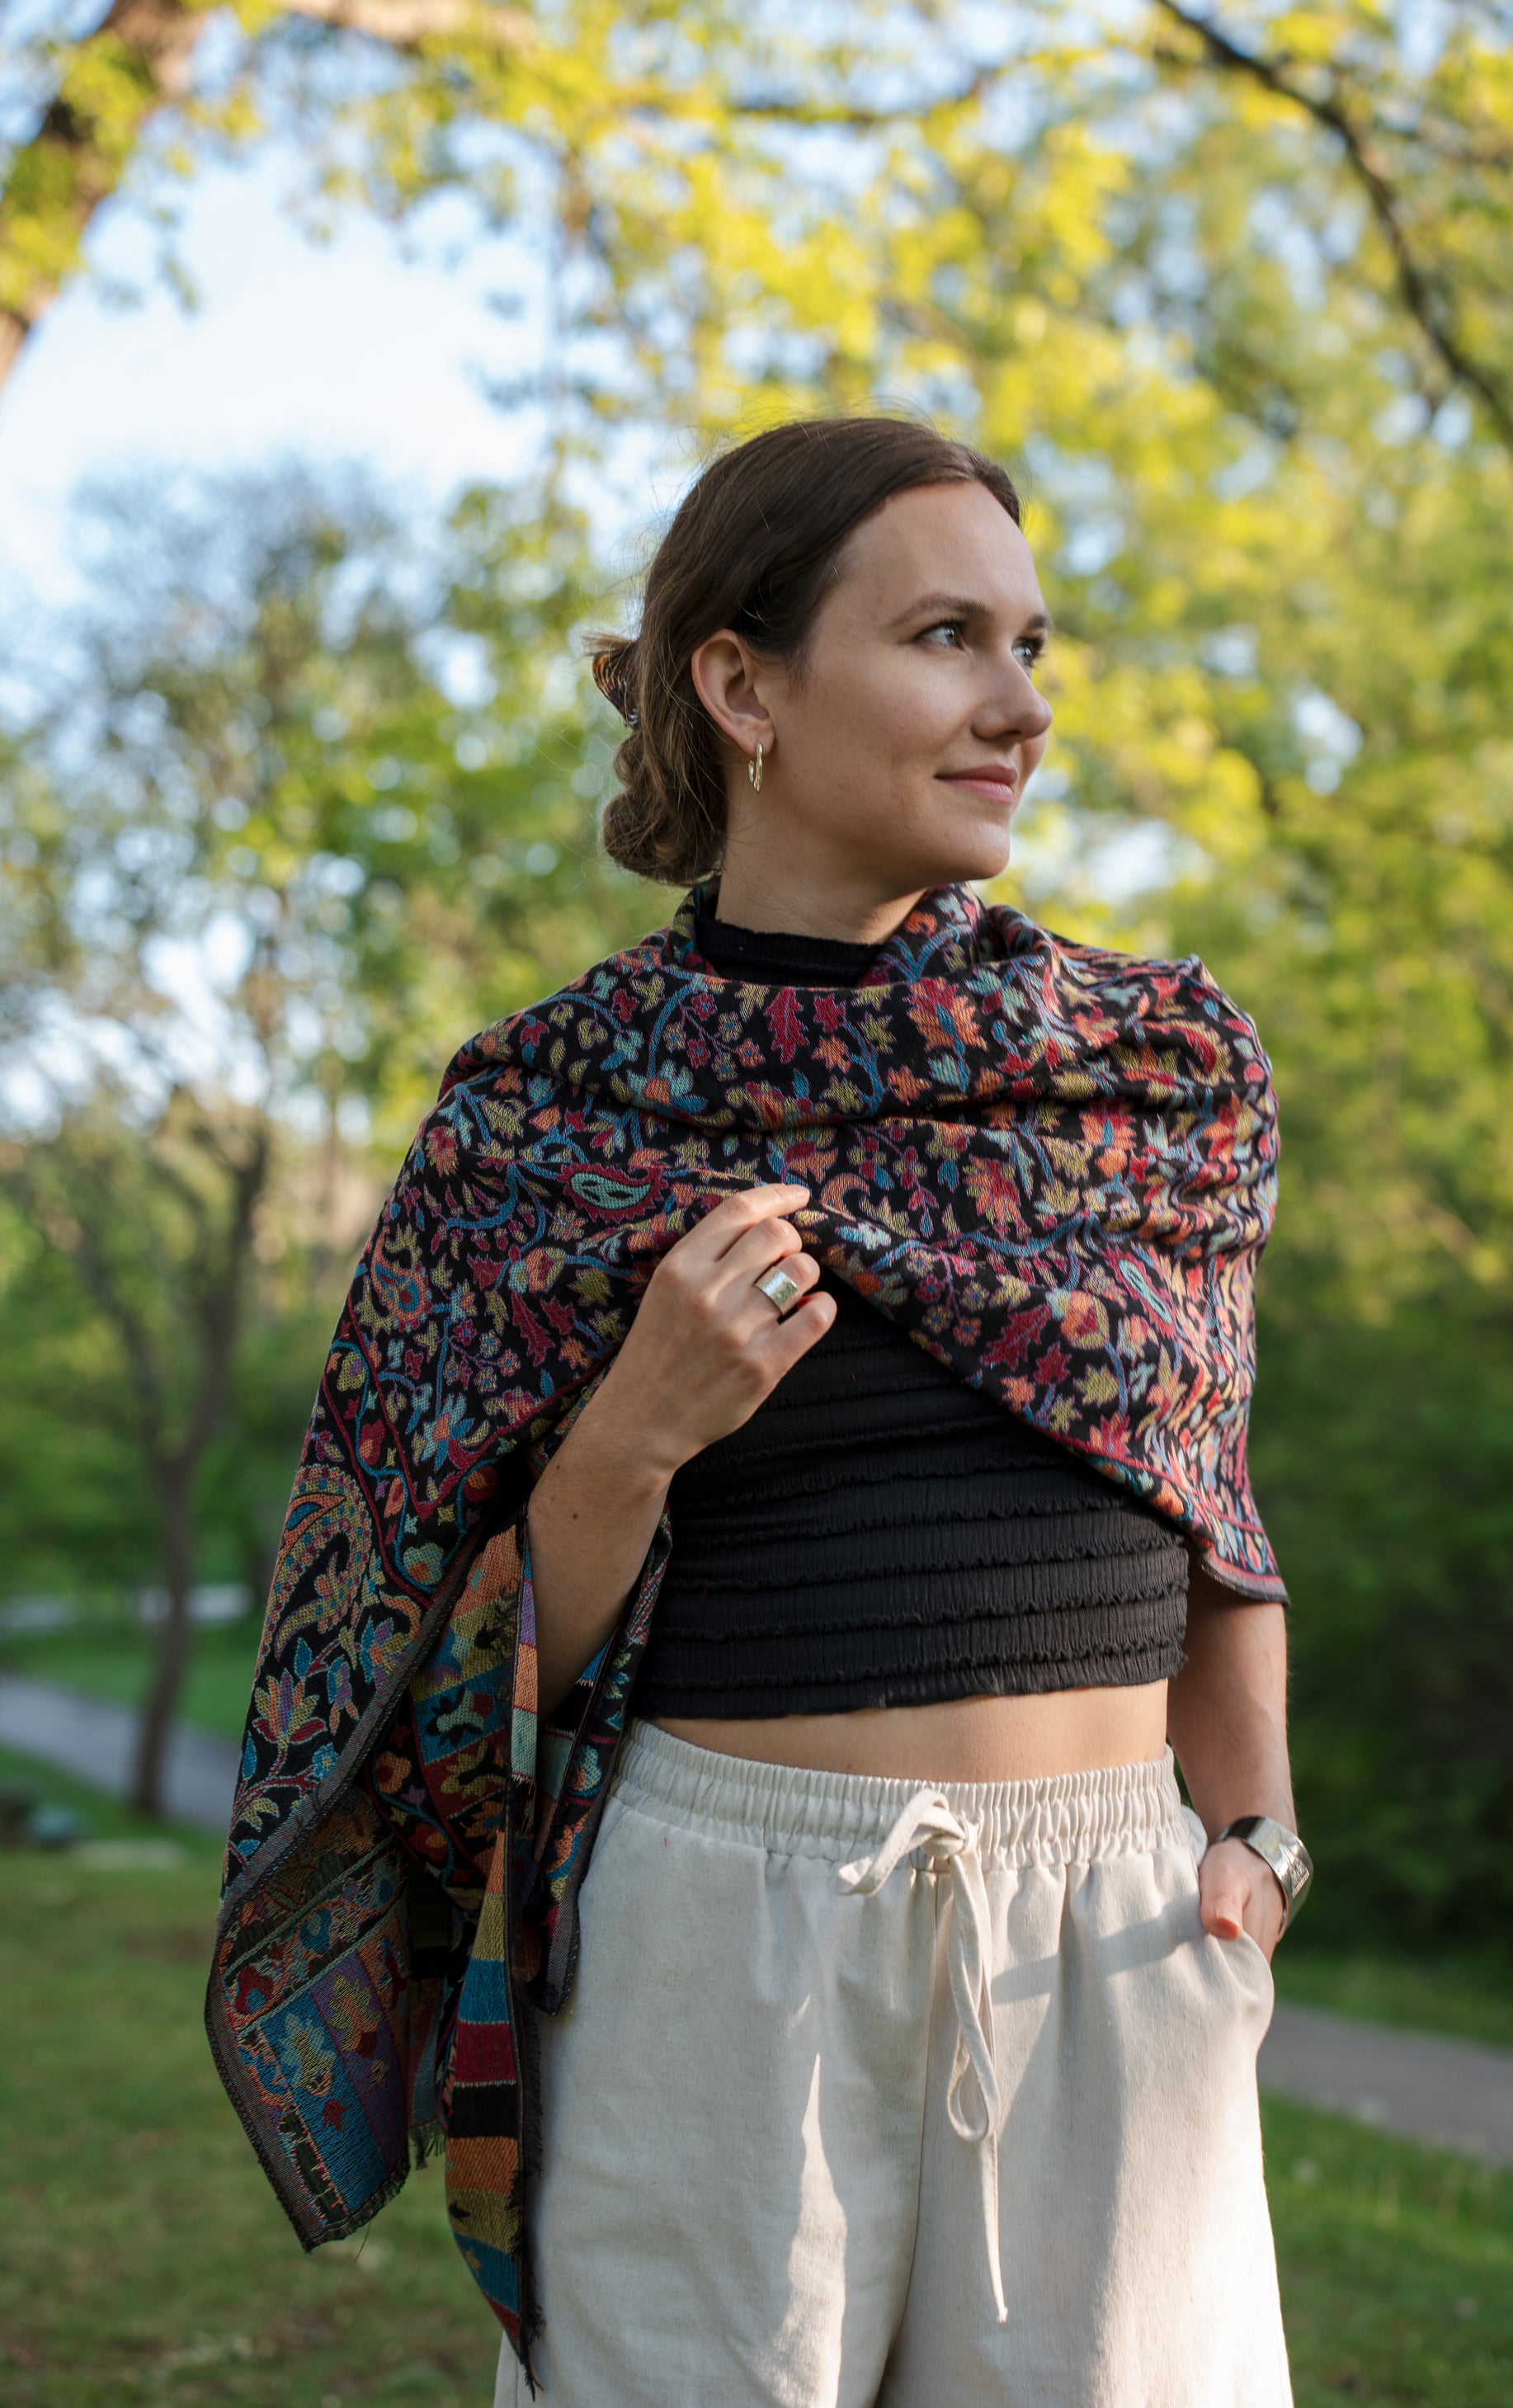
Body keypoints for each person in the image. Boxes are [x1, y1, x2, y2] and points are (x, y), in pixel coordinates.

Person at [206, 417, 1308, 2408]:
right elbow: (415, 1647)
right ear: (741, 685)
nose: (1019, 705)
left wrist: (1252, 1835)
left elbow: (1207, 1494)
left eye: (1033, 645)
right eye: (949, 637)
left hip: (1113, 1932)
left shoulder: (1155, 1073)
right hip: (723, 1923)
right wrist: (634, 1425)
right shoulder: (544, 1118)